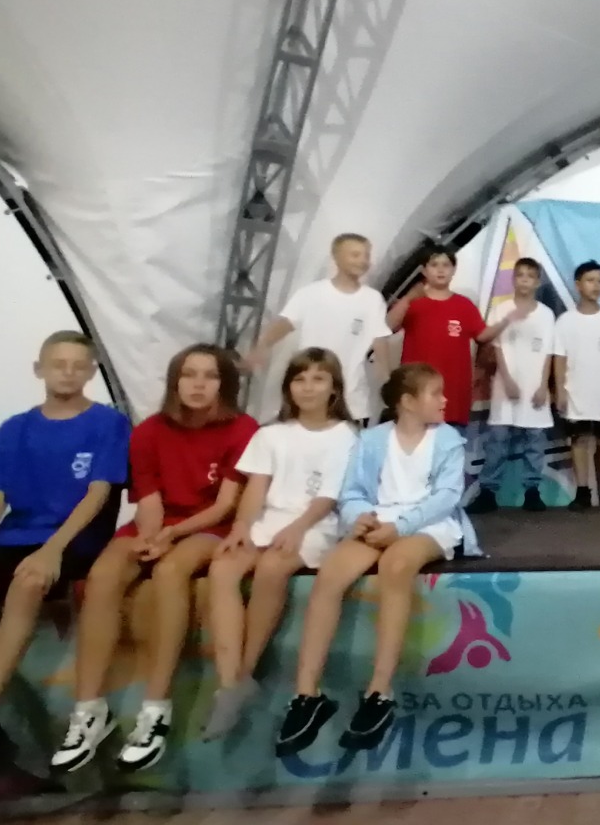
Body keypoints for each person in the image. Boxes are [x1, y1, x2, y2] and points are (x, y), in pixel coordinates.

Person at [0, 332, 130, 793]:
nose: (68, 373)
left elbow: (98, 495)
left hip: (75, 538)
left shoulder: (107, 423)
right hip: (16, 534)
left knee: (27, 583)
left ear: (91, 372)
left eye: (78, 365)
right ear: (39, 369)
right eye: (59, 364)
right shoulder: (14, 428)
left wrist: (53, 549)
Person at [50, 344, 256, 774]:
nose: (198, 384)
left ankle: (155, 708)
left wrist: (171, 537)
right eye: (189, 375)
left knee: (171, 570)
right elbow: (149, 499)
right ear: (174, 382)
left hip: (210, 526)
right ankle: (88, 710)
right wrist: (151, 536)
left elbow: (225, 506)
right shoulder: (148, 432)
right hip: (159, 524)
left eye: (210, 376)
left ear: (225, 384)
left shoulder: (242, 429)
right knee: (104, 573)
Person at [275, 364, 479, 757]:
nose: (444, 400)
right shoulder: (371, 439)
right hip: (380, 519)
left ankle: (379, 691)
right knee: (331, 573)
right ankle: (306, 694)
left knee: (396, 566)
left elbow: (446, 497)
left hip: (428, 524)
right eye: (435, 393)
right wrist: (360, 517)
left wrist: (400, 527)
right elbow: (352, 492)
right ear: (407, 402)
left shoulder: (448, 440)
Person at [199, 348, 359, 741]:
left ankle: (244, 674)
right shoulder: (270, 434)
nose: (308, 387)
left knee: (273, 566)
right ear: (288, 387)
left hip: (314, 524)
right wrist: (241, 527)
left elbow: (328, 496)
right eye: (300, 379)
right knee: (223, 567)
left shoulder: (346, 436)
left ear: (334, 388)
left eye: (318, 379)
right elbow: (257, 487)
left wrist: (299, 527)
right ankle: (228, 683)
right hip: (267, 520)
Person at [241, 233, 391, 424]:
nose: (362, 261)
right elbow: (285, 323)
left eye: (366, 255)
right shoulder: (311, 293)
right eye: (355, 255)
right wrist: (261, 348)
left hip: (351, 398)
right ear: (336, 257)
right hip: (309, 392)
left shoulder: (372, 299)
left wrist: (387, 378)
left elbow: (380, 340)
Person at [387, 245, 511, 430]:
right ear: (424, 270)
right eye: (434, 264)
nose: (440, 270)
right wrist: (408, 298)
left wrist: (507, 320)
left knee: (452, 444)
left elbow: (482, 335)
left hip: (453, 395)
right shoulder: (413, 302)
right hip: (417, 394)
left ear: (453, 270)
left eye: (446, 265)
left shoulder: (464, 305)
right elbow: (387, 326)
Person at [477, 257, 556, 515]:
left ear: (537, 282)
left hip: (534, 387)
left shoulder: (546, 314)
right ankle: (488, 491)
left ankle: (532, 491)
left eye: (530, 276)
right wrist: (507, 380)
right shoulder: (502, 309)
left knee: (534, 441)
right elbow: (497, 347)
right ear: (513, 279)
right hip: (506, 386)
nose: (524, 280)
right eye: (520, 275)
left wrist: (543, 385)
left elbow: (548, 352)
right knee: (498, 441)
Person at [552, 260, 600, 510]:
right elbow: (559, 357)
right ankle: (583, 491)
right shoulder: (565, 321)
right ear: (578, 284)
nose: (596, 286)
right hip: (576, 391)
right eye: (590, 280)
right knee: (579, 440)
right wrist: (560, 390)